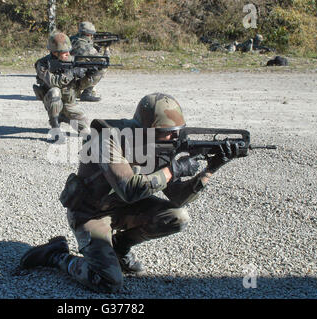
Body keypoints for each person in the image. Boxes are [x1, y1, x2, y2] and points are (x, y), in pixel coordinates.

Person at [19, 93, 245, 293]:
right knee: (108, 282)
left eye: (178, 133)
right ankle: (56, 255)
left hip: (125, 208)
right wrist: (173, 169)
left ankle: (120, 247)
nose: (175, 139)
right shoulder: (105, 139)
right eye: (168, 133)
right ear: (146, 130)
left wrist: (211, 169)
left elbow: (178, 198)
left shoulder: (158, 145)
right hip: (91, 213)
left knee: (178, 217)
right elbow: (129, 188)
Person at [33, 31, 94, 143]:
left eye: (68, 51)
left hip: (70, 103)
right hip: (53, 102)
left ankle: (65, 117)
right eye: (63, 52)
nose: (67, 54)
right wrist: (72, 73)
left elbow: (81, 85)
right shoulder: (43, 64)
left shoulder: (74, 61)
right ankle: (55, 128)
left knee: (87, 129)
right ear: (55, 52)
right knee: (54, 91)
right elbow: (53, 82)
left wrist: (89, 75)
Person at [70, 21, 109, 102]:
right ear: (88, 34)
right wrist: (107, 49)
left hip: (69, 74)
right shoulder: (87, 47)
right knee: (102, 67)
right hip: (77, 75)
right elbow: (104, 60)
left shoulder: (71, 40)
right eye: (91, 34)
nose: (92, 36)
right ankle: (86, 93)